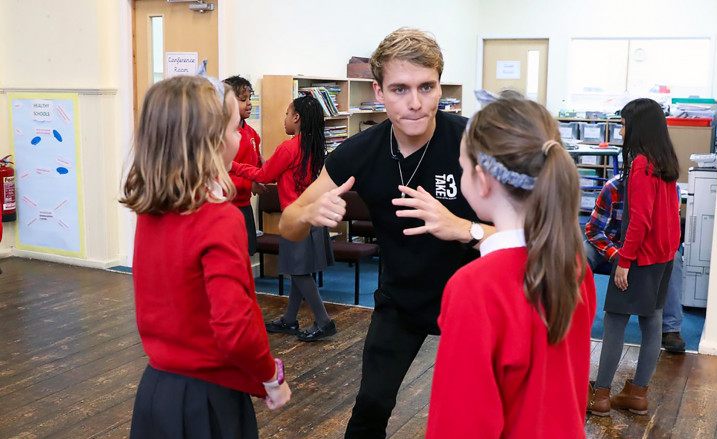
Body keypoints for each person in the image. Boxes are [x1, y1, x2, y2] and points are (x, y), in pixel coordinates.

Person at [278, 28, 493, 438]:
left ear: (439, 87)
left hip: (474, 304)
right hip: (401, 301)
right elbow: (289, 223)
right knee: (370, 408)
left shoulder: (474, 141)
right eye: (399, 89)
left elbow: (533, 234)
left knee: (475, 418)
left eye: (425, 87)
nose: (414, 103)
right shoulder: (361, 151)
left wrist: (465, 228)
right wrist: (310, 214)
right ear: (378, 91)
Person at [122, 75, 291, 438]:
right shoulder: (219, 218)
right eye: (234, 129)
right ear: (211, 141)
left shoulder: (150, 211)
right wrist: (269, 375)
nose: (239, 137)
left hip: (155, 390)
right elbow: (236, 326)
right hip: (207, 399)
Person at [426, 91, 597, 438]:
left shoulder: (474, 287)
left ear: (483, 180)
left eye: (462, 169)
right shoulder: (576, 265)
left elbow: (460, 425)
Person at [587, 98, 680, 417]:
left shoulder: (640, 163)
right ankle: (638, 394)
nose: (622, 130)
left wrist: (624, 261)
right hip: (664, 258)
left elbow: (639, 220)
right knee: (652, 323)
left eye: (625, 124)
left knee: (614, 323)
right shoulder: (665, 160)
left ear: (638, 128)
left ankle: (599, 396)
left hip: (639, 259)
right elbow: (668, 216)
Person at [231, 95, 336, 342]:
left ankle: (324, 321)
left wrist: (233, 166)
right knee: (301, 270)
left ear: (297, 118)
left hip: (296, 218)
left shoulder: (289, 147)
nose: (285, 119)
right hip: (313, 215)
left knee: (299, 273)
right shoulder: (315, 145)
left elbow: (264, 175)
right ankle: (290, 319)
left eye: (287, 114)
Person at [584, 174, 687, 353]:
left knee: (675, 259)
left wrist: (633, 256)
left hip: (646, 249)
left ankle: (671, 329)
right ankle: (574, 319)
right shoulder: (613, 188)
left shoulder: (668, 189)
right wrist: (617, 255)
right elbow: (593, 230)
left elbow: (669, 232)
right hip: (610, 245)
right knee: (580, 256)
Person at [223, 75, 263, 256]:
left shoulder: (252, 133)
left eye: (249, 99)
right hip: (228, 206)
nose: (248, 104)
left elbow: (257, 163)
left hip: (244, 204)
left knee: (246, 253)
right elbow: (222, 174)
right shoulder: (223, 135)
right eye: (242, 99)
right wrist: (250, 184)